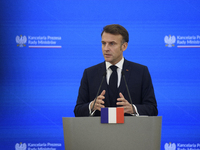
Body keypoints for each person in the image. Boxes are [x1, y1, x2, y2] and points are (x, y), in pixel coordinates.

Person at [74, 24, 158, 117]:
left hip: (130, 130)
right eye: (103, 43)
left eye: (112, 44)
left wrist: (133, 109)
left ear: (124, 46)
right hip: (99, 130)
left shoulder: (141, 72)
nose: (106, 48)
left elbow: (152, 109)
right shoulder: (89, 73)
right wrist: (91, 106)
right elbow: (78, 111)